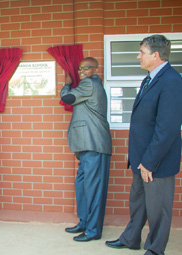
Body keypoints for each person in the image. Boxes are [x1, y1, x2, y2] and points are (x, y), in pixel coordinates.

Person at [105, 35, 182, 255]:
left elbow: (167, 128)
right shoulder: (149, 78)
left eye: (141, 52)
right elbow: (144, 121)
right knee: (137, 202)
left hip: (156, 161)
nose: (138, 56)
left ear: (155, 55)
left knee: (159, 209)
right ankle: (131, 238)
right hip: (141, 157)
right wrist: (135, 155)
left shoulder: (171, 80)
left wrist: (149, 161)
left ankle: (155, 249)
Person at [61, 57, 112, 242]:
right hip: (86, 146)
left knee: (93, 189)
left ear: (95, 70)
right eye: (79, 67)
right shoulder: (88, 84)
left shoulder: (89, 84)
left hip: (95, 144)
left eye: (86, 68)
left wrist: (66, 84)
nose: (82, 70)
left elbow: (67, 98)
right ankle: (84, 222)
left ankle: (93, 230)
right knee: (82, 185)